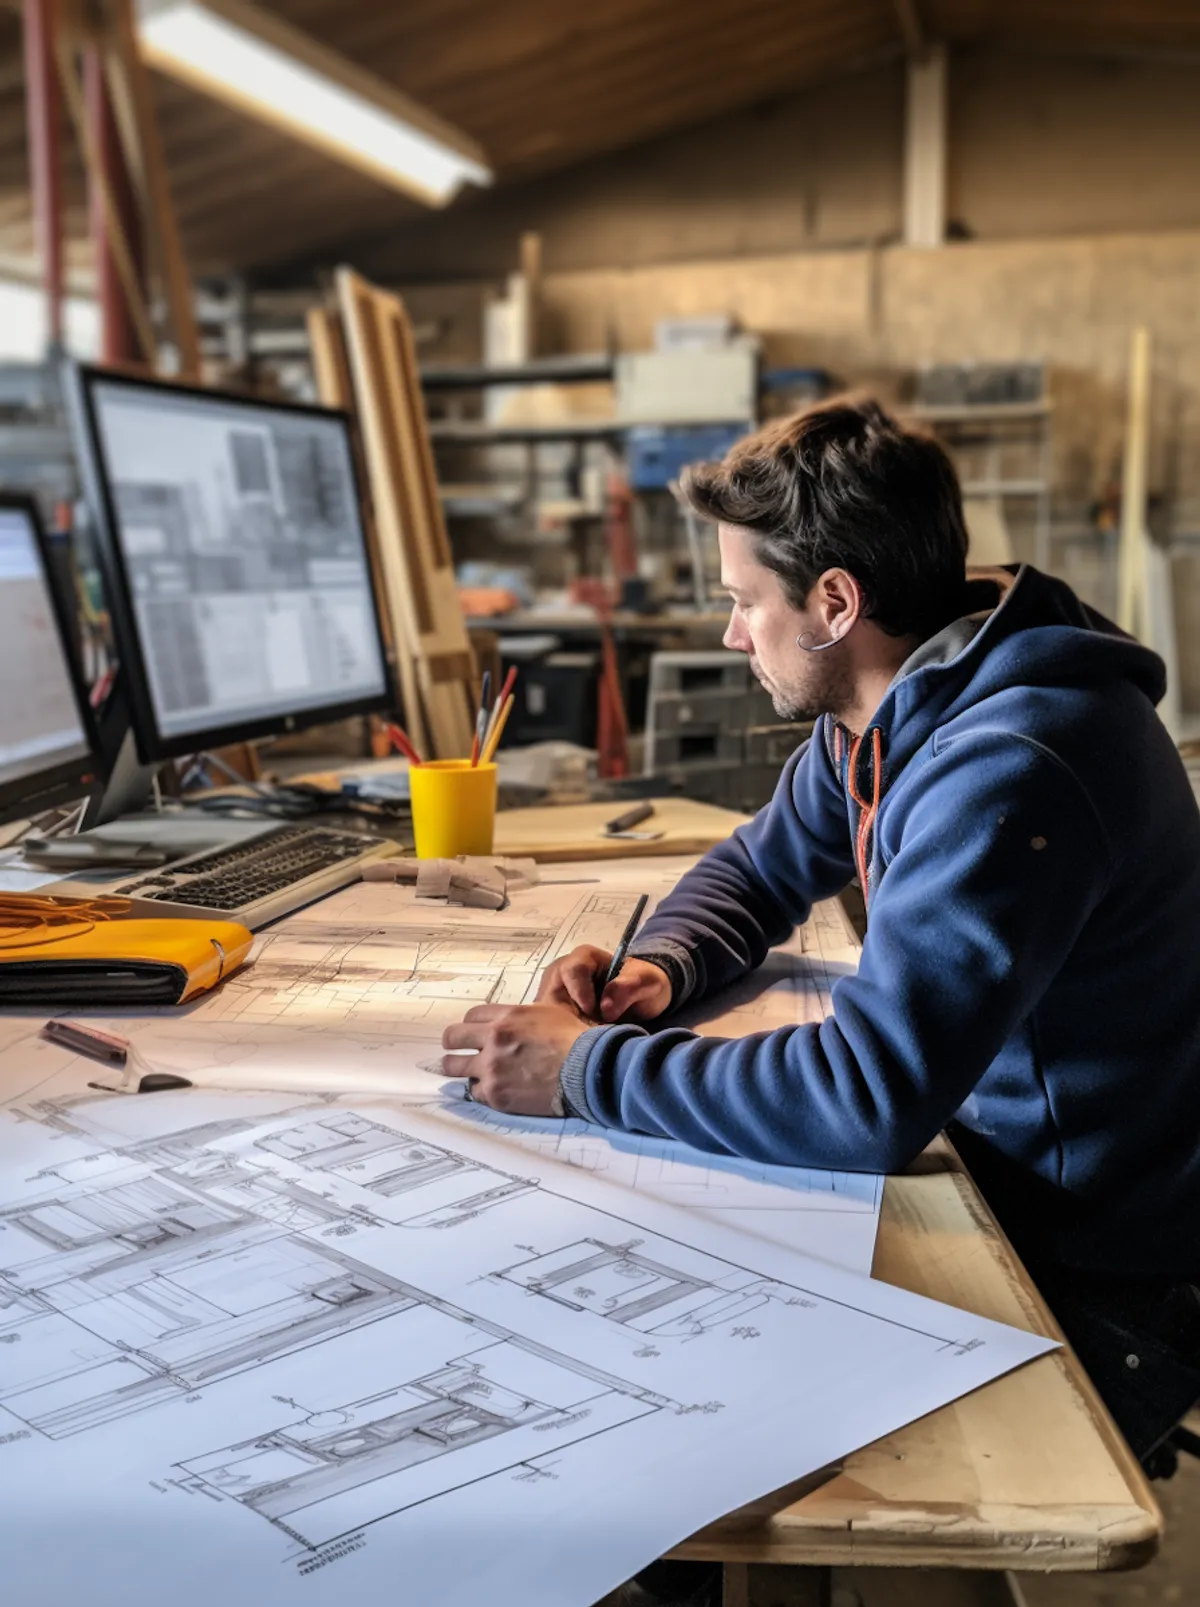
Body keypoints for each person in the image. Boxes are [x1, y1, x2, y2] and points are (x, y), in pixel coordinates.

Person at [441, 398, 1200, 1465]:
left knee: (702, 1417)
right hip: (991, 1165)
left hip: (1094, 1254)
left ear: (835, 602)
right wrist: (659, 967)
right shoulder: (904, 700)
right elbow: (760, 862)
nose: (731, 633)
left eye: (743, 601)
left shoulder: (1011, 763)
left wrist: (585, 1069)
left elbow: (865, 1097)